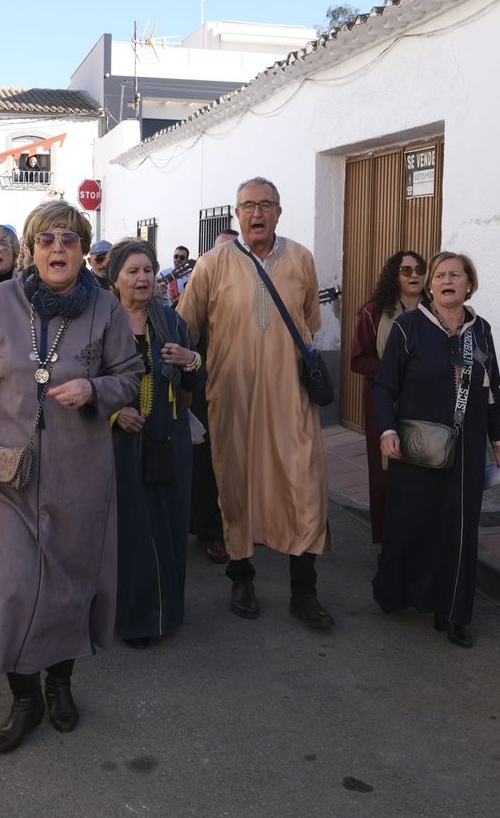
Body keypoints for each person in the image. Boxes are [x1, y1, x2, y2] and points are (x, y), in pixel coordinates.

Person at [0, 200, 142, 754]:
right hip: (9, 473)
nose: (59, 249)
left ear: (84, 251)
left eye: (71, 240)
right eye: (48, 239)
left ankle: (60, 685)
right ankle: (23, 696)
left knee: (68, 587)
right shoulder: (0, 303)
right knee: (13, 587)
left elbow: (131, 377)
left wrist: (95, 391)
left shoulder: (105, 308)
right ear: (30, 250)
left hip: (82, 477)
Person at [176, 178, 333, 629]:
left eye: (266, 205)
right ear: (237, 214)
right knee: (237, 485)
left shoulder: (301, 258)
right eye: (249, 206)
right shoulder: (211, 264)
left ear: (279, 212)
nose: (257, 213)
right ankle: (240, 577)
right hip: (233, 396)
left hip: (292, 398)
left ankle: (304, 591)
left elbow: (310, 323)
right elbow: (186, 327)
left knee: (303, 485)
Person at [372, 253, 500, 648]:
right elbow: (383, 387)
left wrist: (499, 440)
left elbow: (491, 391)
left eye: (456, 274)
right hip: (417, 445)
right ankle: (399, 592)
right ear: (430, 286)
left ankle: (453, 611)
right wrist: (386, 429)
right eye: (440, 275)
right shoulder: (408, 327)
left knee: (459, 529)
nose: (447, 280)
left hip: (465, 449)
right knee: (412, 522)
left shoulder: (480, 331)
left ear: (469, 284)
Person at [106, 239, 204, 648]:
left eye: (148, 270)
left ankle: (165, 613)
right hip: (118, 442)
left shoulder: (172, 322)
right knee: (130, 528)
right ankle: (130, 617)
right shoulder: (101, 324)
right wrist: (113, 413)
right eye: (132, 271)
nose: (142, 278)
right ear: (115, 280)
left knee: (166, 524)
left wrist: (192, 361)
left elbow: (196, 380)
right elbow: (81, 381)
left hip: (167, 438)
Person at [348, 250, 426, 544]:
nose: (414, 275)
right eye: (406, 270)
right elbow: (358, 359)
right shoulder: (374, 311)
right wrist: (395, 370)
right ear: (394, 275)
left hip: (424, 404)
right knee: (385, 473)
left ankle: (417, 538)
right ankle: (388, 539)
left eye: (419, 269)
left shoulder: (434, 310)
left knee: (421, 468)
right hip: (384, 404)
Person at [187, 228, 239, 564]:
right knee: (206, 462)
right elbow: (185, 336)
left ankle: (239, 524)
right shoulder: (199, 290)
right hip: (207, 388)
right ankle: (210, 531)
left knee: (240, 461)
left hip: (247, 390)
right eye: (221, 251)